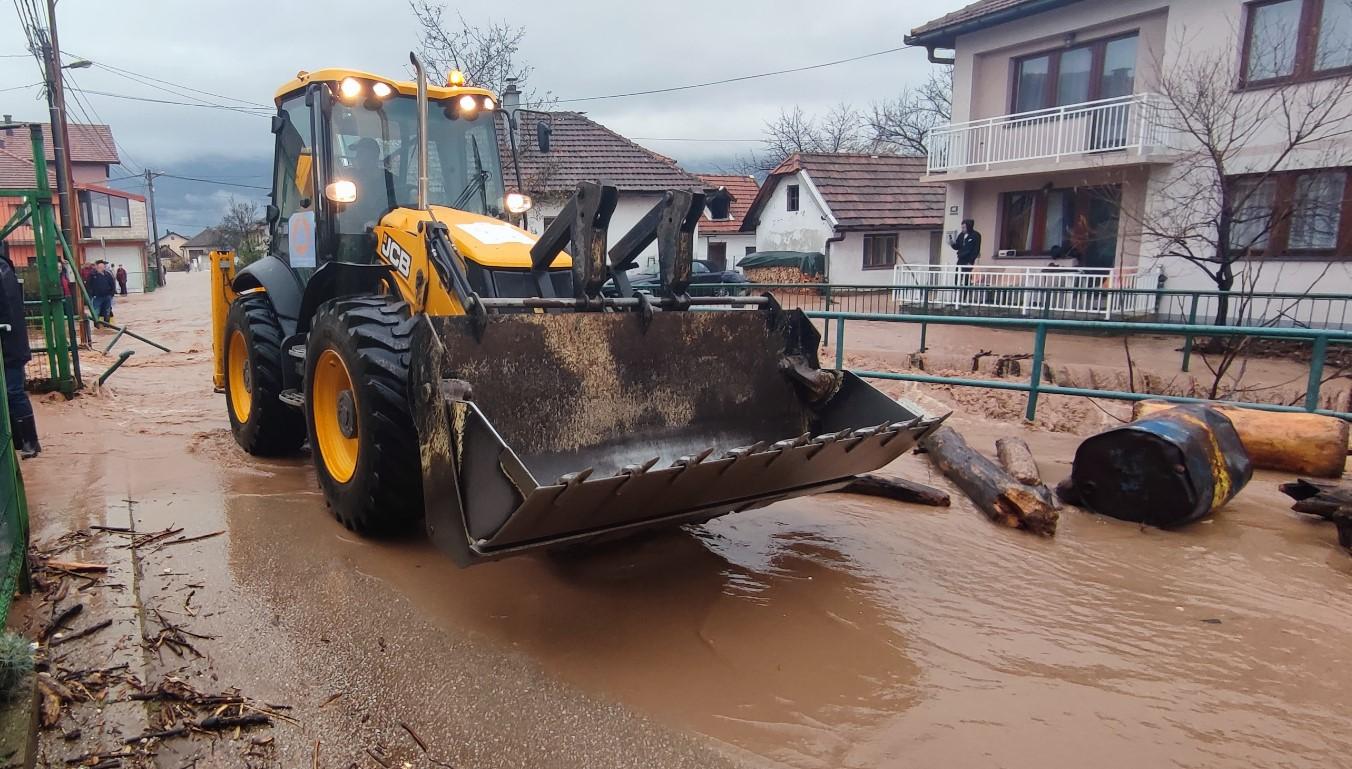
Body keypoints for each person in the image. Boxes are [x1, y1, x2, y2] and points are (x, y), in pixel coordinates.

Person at [0, 244, 39, 458]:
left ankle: (29, 441)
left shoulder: (2, 269)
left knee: (13, 392)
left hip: (9, 346)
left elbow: (8, 311)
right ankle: (17, 440)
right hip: (8, 345)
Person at [949, 219, 982, 297]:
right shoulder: (961, 235)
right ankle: (956, 297)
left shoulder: (976, 235)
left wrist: (971, 262)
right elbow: (957, 246)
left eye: (964, 227)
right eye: (962, 227)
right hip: (960, 259)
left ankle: (965, 297)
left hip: (969, 260)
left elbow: (976, 250)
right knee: (957, 278)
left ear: (969, 227)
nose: (962, 229)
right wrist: (952, 244)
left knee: (966, 279)